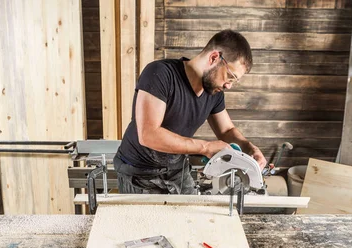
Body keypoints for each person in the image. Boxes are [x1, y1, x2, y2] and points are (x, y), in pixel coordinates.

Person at [113, 29, 266, 195]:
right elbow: (148, 134)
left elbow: (226, 131)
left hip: (177, 170)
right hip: (138, 173)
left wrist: (250, 149)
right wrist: (205, 147)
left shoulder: (213, 92)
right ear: (214, 58)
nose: (228, 85)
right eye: (230, 77)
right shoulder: (160, 74)